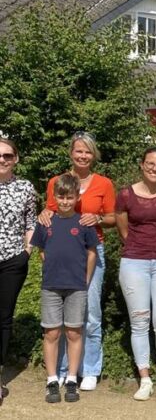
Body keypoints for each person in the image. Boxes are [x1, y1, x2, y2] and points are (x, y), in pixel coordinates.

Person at [38, 131, 115, 390]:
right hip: (62, 253)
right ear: (71, 153)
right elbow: (49, 211)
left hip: (92, 251)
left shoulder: (103, 183)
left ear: (94, 155)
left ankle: (90, 369)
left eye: (88, 151)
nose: (83, 156)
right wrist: (43, 214)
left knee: (90, 313)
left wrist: (99, 219)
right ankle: (62, 370)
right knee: (59, 319)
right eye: (78, 151)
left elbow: (114, 218)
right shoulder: (57, 182)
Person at [115, 147, 156, 401]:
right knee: (139, 322)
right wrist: (129, 241)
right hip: (134, 262)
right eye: (150, 163)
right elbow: (121, 217)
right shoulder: (126, 194)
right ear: (142, 165)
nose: (154, 168)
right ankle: (144, 377)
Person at [32, 174, 99, 404]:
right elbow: (41, 251)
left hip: (76, 287)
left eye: (70, 197)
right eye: (61, 197)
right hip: (51, 286)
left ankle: (71, 379)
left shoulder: (84, 223)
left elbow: (92, 253)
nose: (65, 201)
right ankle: (52, 379)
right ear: (54, 196)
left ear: (76, 197)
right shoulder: (45, 222)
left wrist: (85, 279)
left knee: (74, 332)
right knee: (51, 332)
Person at [0, 137, 37, 405]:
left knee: (3, 319)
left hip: (12, 260)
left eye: (8, 156)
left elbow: (30, 221)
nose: (2, 160)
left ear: (16, 159)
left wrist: (27, 252)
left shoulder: (25, 188)